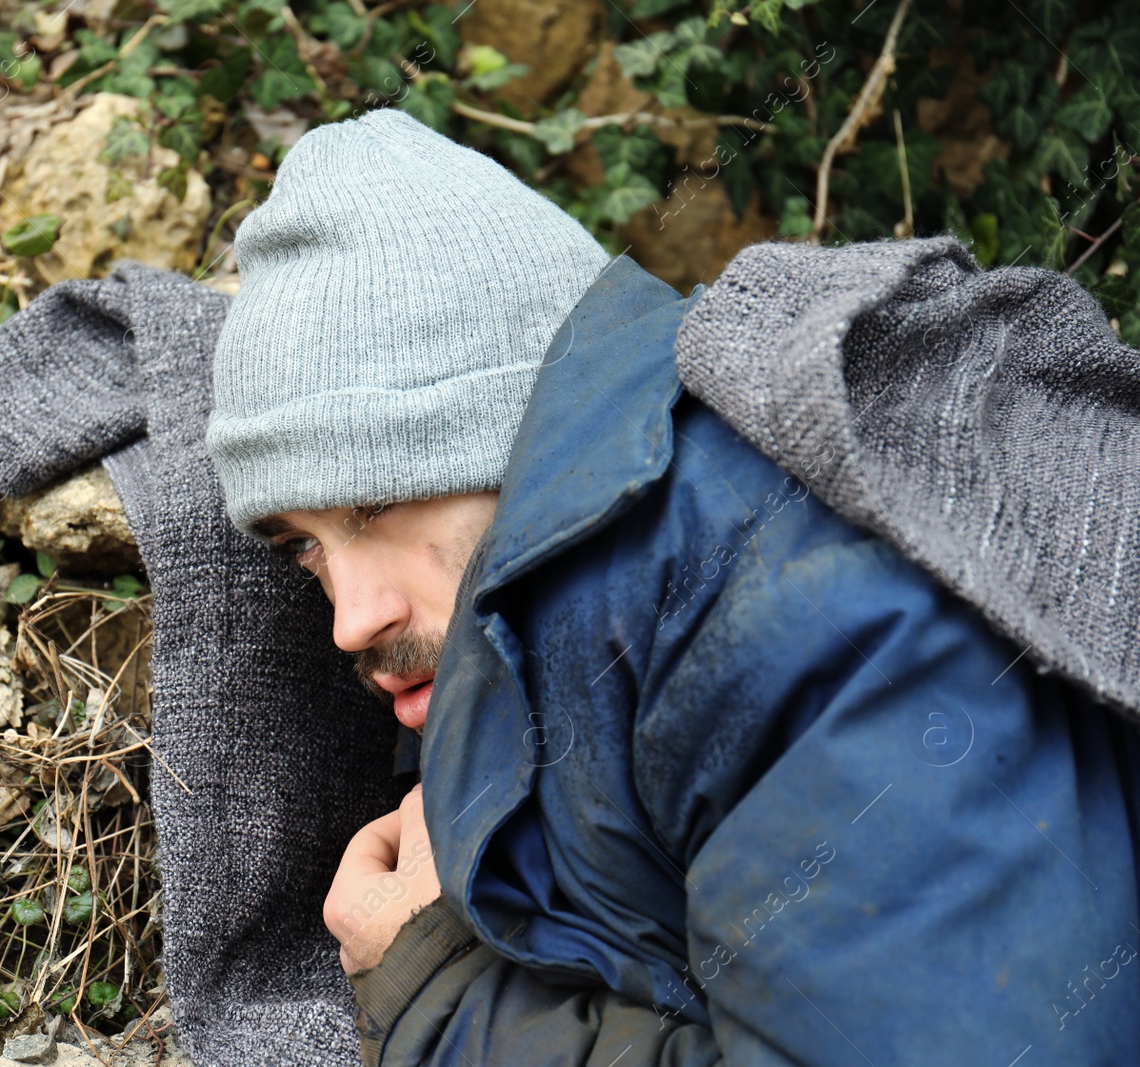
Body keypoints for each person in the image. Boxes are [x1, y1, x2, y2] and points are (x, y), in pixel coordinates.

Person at [203, 107, 1140, 1065]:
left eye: (376, 502)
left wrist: (443, 999)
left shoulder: (774, 596)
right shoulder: (587, 600)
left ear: (512, 433)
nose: (352, 620)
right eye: (302, 549)